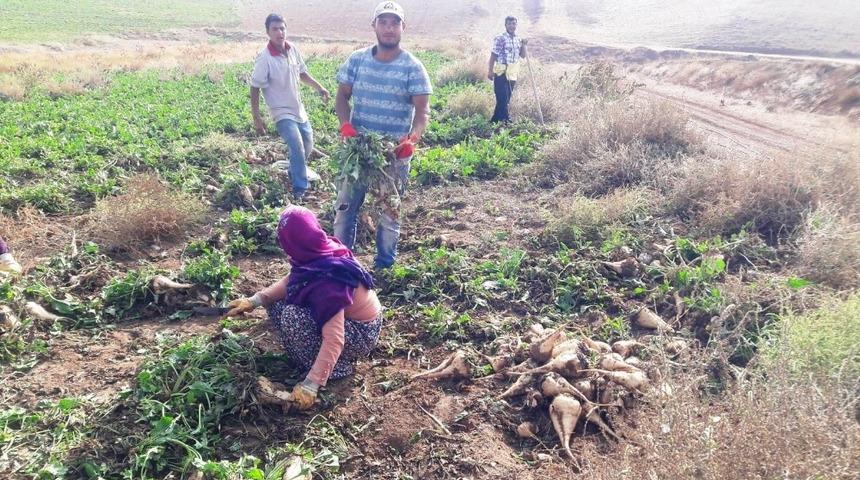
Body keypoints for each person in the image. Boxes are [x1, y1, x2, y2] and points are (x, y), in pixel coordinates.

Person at [225, 206, 382, 410]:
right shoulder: (318, 250)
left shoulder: (328, 281)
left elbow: (335, 338)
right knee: (279, 302)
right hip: (348, 321)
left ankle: (337, 368)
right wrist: (254, 301)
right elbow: (292, 281)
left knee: (293, 316)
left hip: (360, 333)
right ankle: (311, 355)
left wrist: (311, 384)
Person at [333, 1, 432, 269]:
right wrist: (346, 125)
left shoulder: (413, 67)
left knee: (389, 212)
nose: (389, 28)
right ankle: (342, 263)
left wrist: (411, 140)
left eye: (394, 23)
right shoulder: (357, 60)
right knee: (345, 208)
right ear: (374, 26)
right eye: (383, 22)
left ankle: (385, 266)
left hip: (392, 153)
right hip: (357, 149)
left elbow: (423, 112)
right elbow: (342, 96)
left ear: (403, 27)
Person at [250, 13, 330, 201]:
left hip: (298, 110)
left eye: (282, 28)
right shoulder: (265, 58)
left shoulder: (292, 49)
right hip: (281, 111)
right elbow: (255, 87)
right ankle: (300, 189)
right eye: (275, 29)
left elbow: (302, 74)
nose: (280, 32)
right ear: (268, 32)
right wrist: (257, 117)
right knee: (297, 146)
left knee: (308, 145)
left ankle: (293, 168)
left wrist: (320, 88)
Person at [488, 16, 528, 123]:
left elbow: (523, 56)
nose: (512, 26)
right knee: (502, 97)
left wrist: (524, 45)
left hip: (512, 72)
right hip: (501, 71)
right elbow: (493, 55)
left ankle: (495, 120)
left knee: (507, 97)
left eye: (514, 24)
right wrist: (490, 71)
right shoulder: (500, 38)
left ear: (516, 25)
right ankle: (506, 119)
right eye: (509, 24)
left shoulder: (518, 39)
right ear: (505, 25)